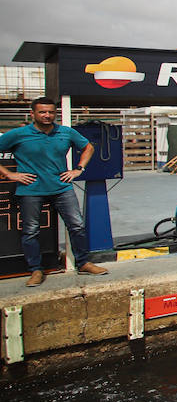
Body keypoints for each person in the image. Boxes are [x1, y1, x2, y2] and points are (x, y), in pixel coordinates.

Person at [0, 97, 107, 286]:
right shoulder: (18, 134)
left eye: (50, 112)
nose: (47, 115)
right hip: (31, 190)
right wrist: (9, 174)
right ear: (32, 114)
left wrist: (79, 169)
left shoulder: (65, 132)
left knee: (77, 225)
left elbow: (88, 147)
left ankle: (83, 263)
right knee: (31, 231)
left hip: (62, 187)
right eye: (42, 112)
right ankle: (35, 270)